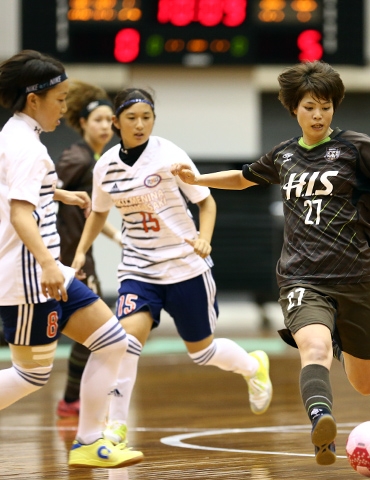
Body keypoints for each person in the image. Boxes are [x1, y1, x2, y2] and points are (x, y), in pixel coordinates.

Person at [172, 61, 370, 466]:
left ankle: (342, 338)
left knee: (365, 384)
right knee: (314, 346)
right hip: (301, 277)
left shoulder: (358, 148)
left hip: (357, 278)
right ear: (295, 108)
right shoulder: (285, 154)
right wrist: (199, 179)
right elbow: (243, 177)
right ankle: (321, 419)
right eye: (310, 106)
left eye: (325, 107)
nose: (318, 115)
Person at [71, 87, 273, 446]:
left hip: (184, 268)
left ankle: (252, 365)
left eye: (146, 117)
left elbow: (206, 203)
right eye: (131, 118)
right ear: (117, 122)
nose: (139, 124)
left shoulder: (169, 155)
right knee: (125, 342)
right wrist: (81, 251)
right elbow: (99, 212)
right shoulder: (105, 166)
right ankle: (116, 425)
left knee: (203, 352)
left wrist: (204, 239)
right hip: (139, 269)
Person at [0, 50, 143, 468]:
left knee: (113, 341)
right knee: (31, 375)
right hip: (31, 276)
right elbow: (19, 213)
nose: (65, 107)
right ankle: (88, 439)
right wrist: (46, 262)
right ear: (33, 99)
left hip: (49, 272)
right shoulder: (26, 146)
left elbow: (13, 190)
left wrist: (57, 193)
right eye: (59, 98)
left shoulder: (17, 137)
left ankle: (88, 442)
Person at [55, 79, 122, 418]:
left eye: (110, 121)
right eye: (98, 120)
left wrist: (116, 237)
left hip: (80, 254)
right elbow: (43, 193)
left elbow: (90, 211)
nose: (105, 126)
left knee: (94, 331)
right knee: (101, 330)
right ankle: (73, 399)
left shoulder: (96, 159)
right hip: (65, 258)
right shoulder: (75, 157)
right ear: (82, 122)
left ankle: (72, 400)